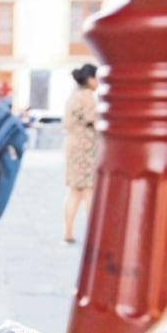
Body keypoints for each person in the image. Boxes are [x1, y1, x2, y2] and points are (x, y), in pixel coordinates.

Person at [62, 62, 98, 244]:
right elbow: (96, 122)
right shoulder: (87, 97)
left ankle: (67, 232)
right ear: (91, 79)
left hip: (72, 145)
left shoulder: (74, 96)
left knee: (75, 191)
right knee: (88, 190)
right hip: (85, 147)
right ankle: (93, 232)